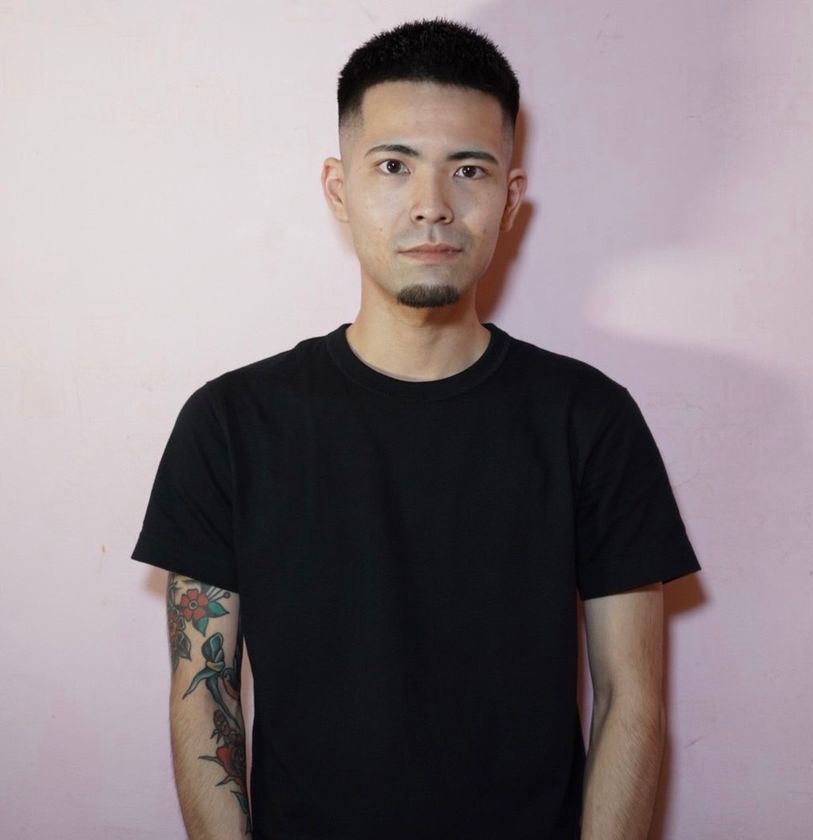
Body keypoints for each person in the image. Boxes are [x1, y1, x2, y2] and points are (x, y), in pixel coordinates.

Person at [132, 18, 701, 840]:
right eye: (394, 166)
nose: (432, 206)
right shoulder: (230, 424)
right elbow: (204, 699)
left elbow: (631, 702)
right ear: (338, 189)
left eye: (468, 170)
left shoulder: (590, 419)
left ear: (510, 198)